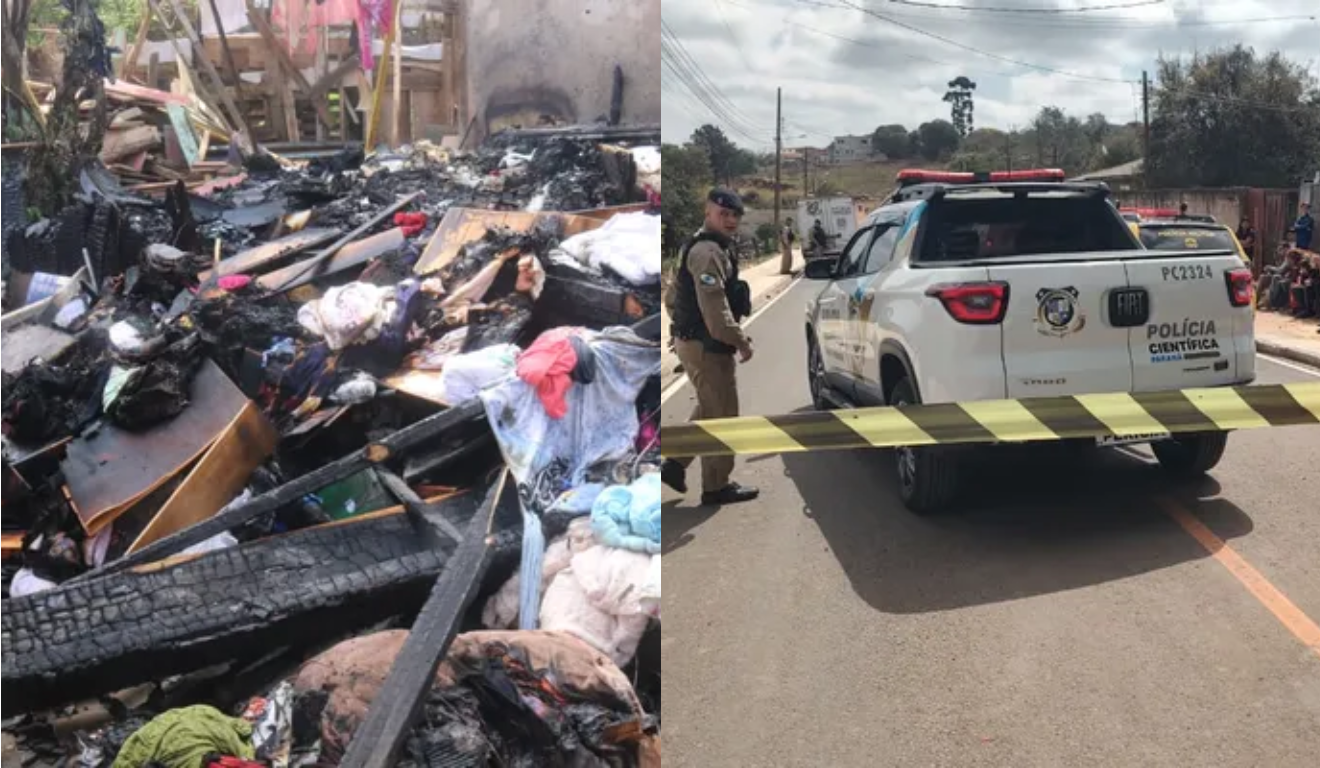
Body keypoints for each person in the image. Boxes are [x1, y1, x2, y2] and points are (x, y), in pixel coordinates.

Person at [661, 188, 760, 506]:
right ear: (708, 213)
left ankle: (675, 464)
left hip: (695, 341)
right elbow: (715, 310)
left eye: (735, 215)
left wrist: (683, 332)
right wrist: (740, 340)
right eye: (723, 214)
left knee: (708, 406)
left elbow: (673, 298)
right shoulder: (708, 253)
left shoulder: (704, 245)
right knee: (723, 416)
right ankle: (716, 486)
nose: (730, 220)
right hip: (708, 344)